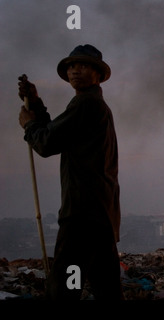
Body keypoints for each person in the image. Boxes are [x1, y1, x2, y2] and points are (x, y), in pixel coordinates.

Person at [18, 44, 123, 300]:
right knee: (106, 288)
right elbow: (58, 132)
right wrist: (37, 103)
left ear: (98, 74)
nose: (76, 71)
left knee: (63, 289)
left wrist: (29, 124)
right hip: (102, 213)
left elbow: (47, 142)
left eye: (84, 65)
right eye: (72, 66)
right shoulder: (92, 105)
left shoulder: (87, 104)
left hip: (82, 214)